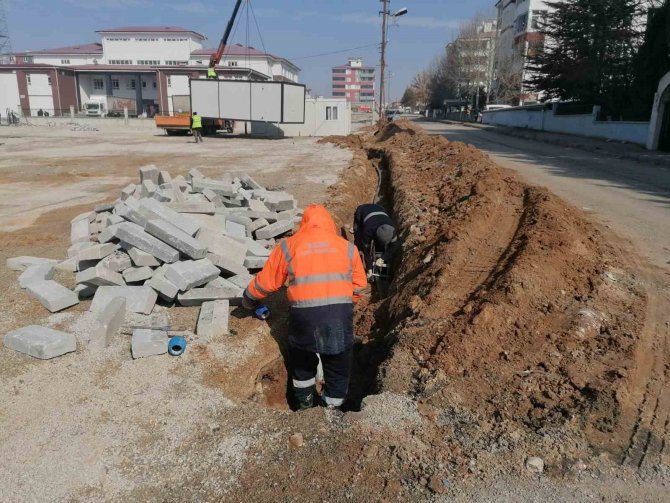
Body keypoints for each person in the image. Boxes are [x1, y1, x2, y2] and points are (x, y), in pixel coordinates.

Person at [242, 204, 368, 410]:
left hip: (304, 318)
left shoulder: (289, 245)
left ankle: (305, 404)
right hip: (338, 317)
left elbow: (266, 282)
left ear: (304, 224)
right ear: (329, 223)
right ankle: (332, 408)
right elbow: (360, 287)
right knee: (338, 365)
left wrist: (248, 299)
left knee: (302, 361)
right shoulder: (347, 247)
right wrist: (344, 305)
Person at [353, 203, 399, 271]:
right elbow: (366, 249)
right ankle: (357, 261)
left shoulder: (392, 230)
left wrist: (383, 258)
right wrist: (369, 268)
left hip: (379, 207)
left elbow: (394, 246)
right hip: (362, 210)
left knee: (381, 246)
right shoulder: (368, 230)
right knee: (359, 239)